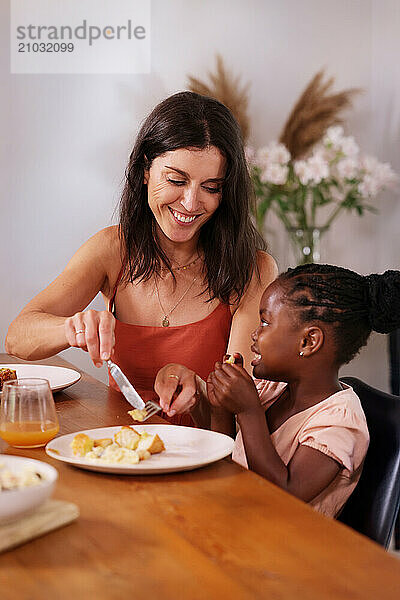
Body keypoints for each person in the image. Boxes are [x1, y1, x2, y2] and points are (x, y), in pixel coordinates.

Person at [5, 91, 277, 425]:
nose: (191, 203)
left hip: (211, 460)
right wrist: (72, 328)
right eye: (176, 180)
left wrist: (198, 387)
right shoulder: (112, 249)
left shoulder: (253, 268)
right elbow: (18, 338)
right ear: (145, 169)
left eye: (211, 187)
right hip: (122, 451)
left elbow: (240, 405)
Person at [155, 264, 400, 516]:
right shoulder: (274, 389)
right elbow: (227, 465)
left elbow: (281, 497)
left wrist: (248, 412)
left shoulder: (339, 421)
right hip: (234, 521)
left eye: (265, 322)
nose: (254, 334)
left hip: (283, 548)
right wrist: (220, 407)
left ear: (308, 341)